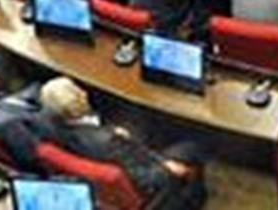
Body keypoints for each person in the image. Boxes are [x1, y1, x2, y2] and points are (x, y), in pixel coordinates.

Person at [34, 77, 207, 209]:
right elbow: (146, 177)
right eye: (79, 93)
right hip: (145, 180)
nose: (85, 93)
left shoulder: (47, 122)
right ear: (76, 108)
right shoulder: (109, 143)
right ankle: (193, 200)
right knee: (191, 148)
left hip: (98, 150)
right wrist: (167, 168)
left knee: (135, 117)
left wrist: (113, 133)